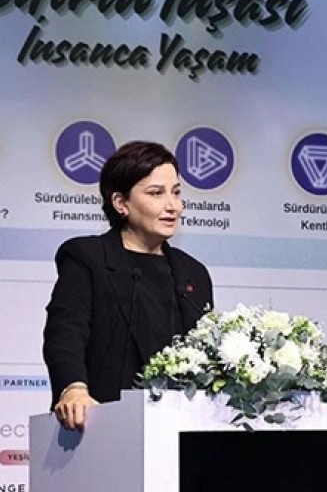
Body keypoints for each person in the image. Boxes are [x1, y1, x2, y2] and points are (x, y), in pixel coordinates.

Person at [43, 141, 214, 430]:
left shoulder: (193, 273)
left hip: (180, 427)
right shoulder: (88, 257)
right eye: (156, 193)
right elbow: (66, 330)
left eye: (176, 193)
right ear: (121, 203)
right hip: (103, 426)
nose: (172, 206)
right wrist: (73, 388)